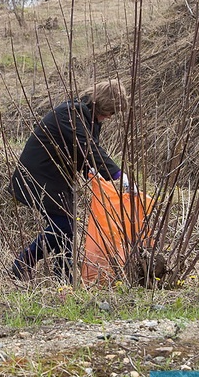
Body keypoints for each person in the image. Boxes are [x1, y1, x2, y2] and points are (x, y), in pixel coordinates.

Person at [8, 79, 130, 281]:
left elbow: (81, 153)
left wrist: (93, 173)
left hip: (54, 178)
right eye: (111, 112)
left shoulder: (86, 118)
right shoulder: (72, 115)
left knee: (67, 227)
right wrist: (118, 174)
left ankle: (63, 277)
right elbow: (89, 149)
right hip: (39, 176)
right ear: (104, 105)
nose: (110, 117)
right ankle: (23, 262)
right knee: (63, 225)